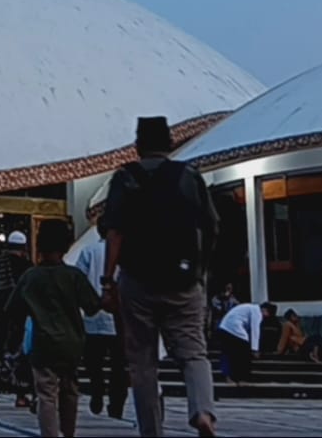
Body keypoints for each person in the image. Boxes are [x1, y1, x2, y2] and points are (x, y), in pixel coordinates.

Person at [102, 115, 220, 438]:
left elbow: (115, 233)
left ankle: (152, 431)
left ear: (137, 146)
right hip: (184, 281)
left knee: (142, 363)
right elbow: (211, 226)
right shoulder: (189, 176)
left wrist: (107, 280)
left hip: (138, 282)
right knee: (193, 353)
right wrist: (200, 270)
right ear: (170, 144)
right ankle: (202, 412)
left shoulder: (125, 178)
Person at [6, 219, 100, 438]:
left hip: (43, 342)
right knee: (69, 390)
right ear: (66, 246)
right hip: (72, 342)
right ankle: (68, 432)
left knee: (46, 393)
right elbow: (93, 306)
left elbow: (13, 310)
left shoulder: (30, 277)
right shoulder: (73, 276)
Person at [73, 231, 128, 419]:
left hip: (94, 317)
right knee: (118, 365)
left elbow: (79, 280)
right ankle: (116, 402)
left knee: (93, 361)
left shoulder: (89, 251)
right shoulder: (124, 252)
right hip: (118, 318)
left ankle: (97, 389)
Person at [0, 230, 34, 408]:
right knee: (20, 355)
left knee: (1, 351)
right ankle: (21, 394)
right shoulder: (25, 266)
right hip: (18, 316)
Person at [216, 301, 274, 385]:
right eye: (267, 313)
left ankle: (229, 378)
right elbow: (255, 329)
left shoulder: (249, 308)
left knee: (228, 354)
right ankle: (242, 378)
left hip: (224, 327)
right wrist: (255, 349)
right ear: (264, 310)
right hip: (234, 329)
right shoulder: (256, 311)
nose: (266, 316)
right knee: (243, 354)